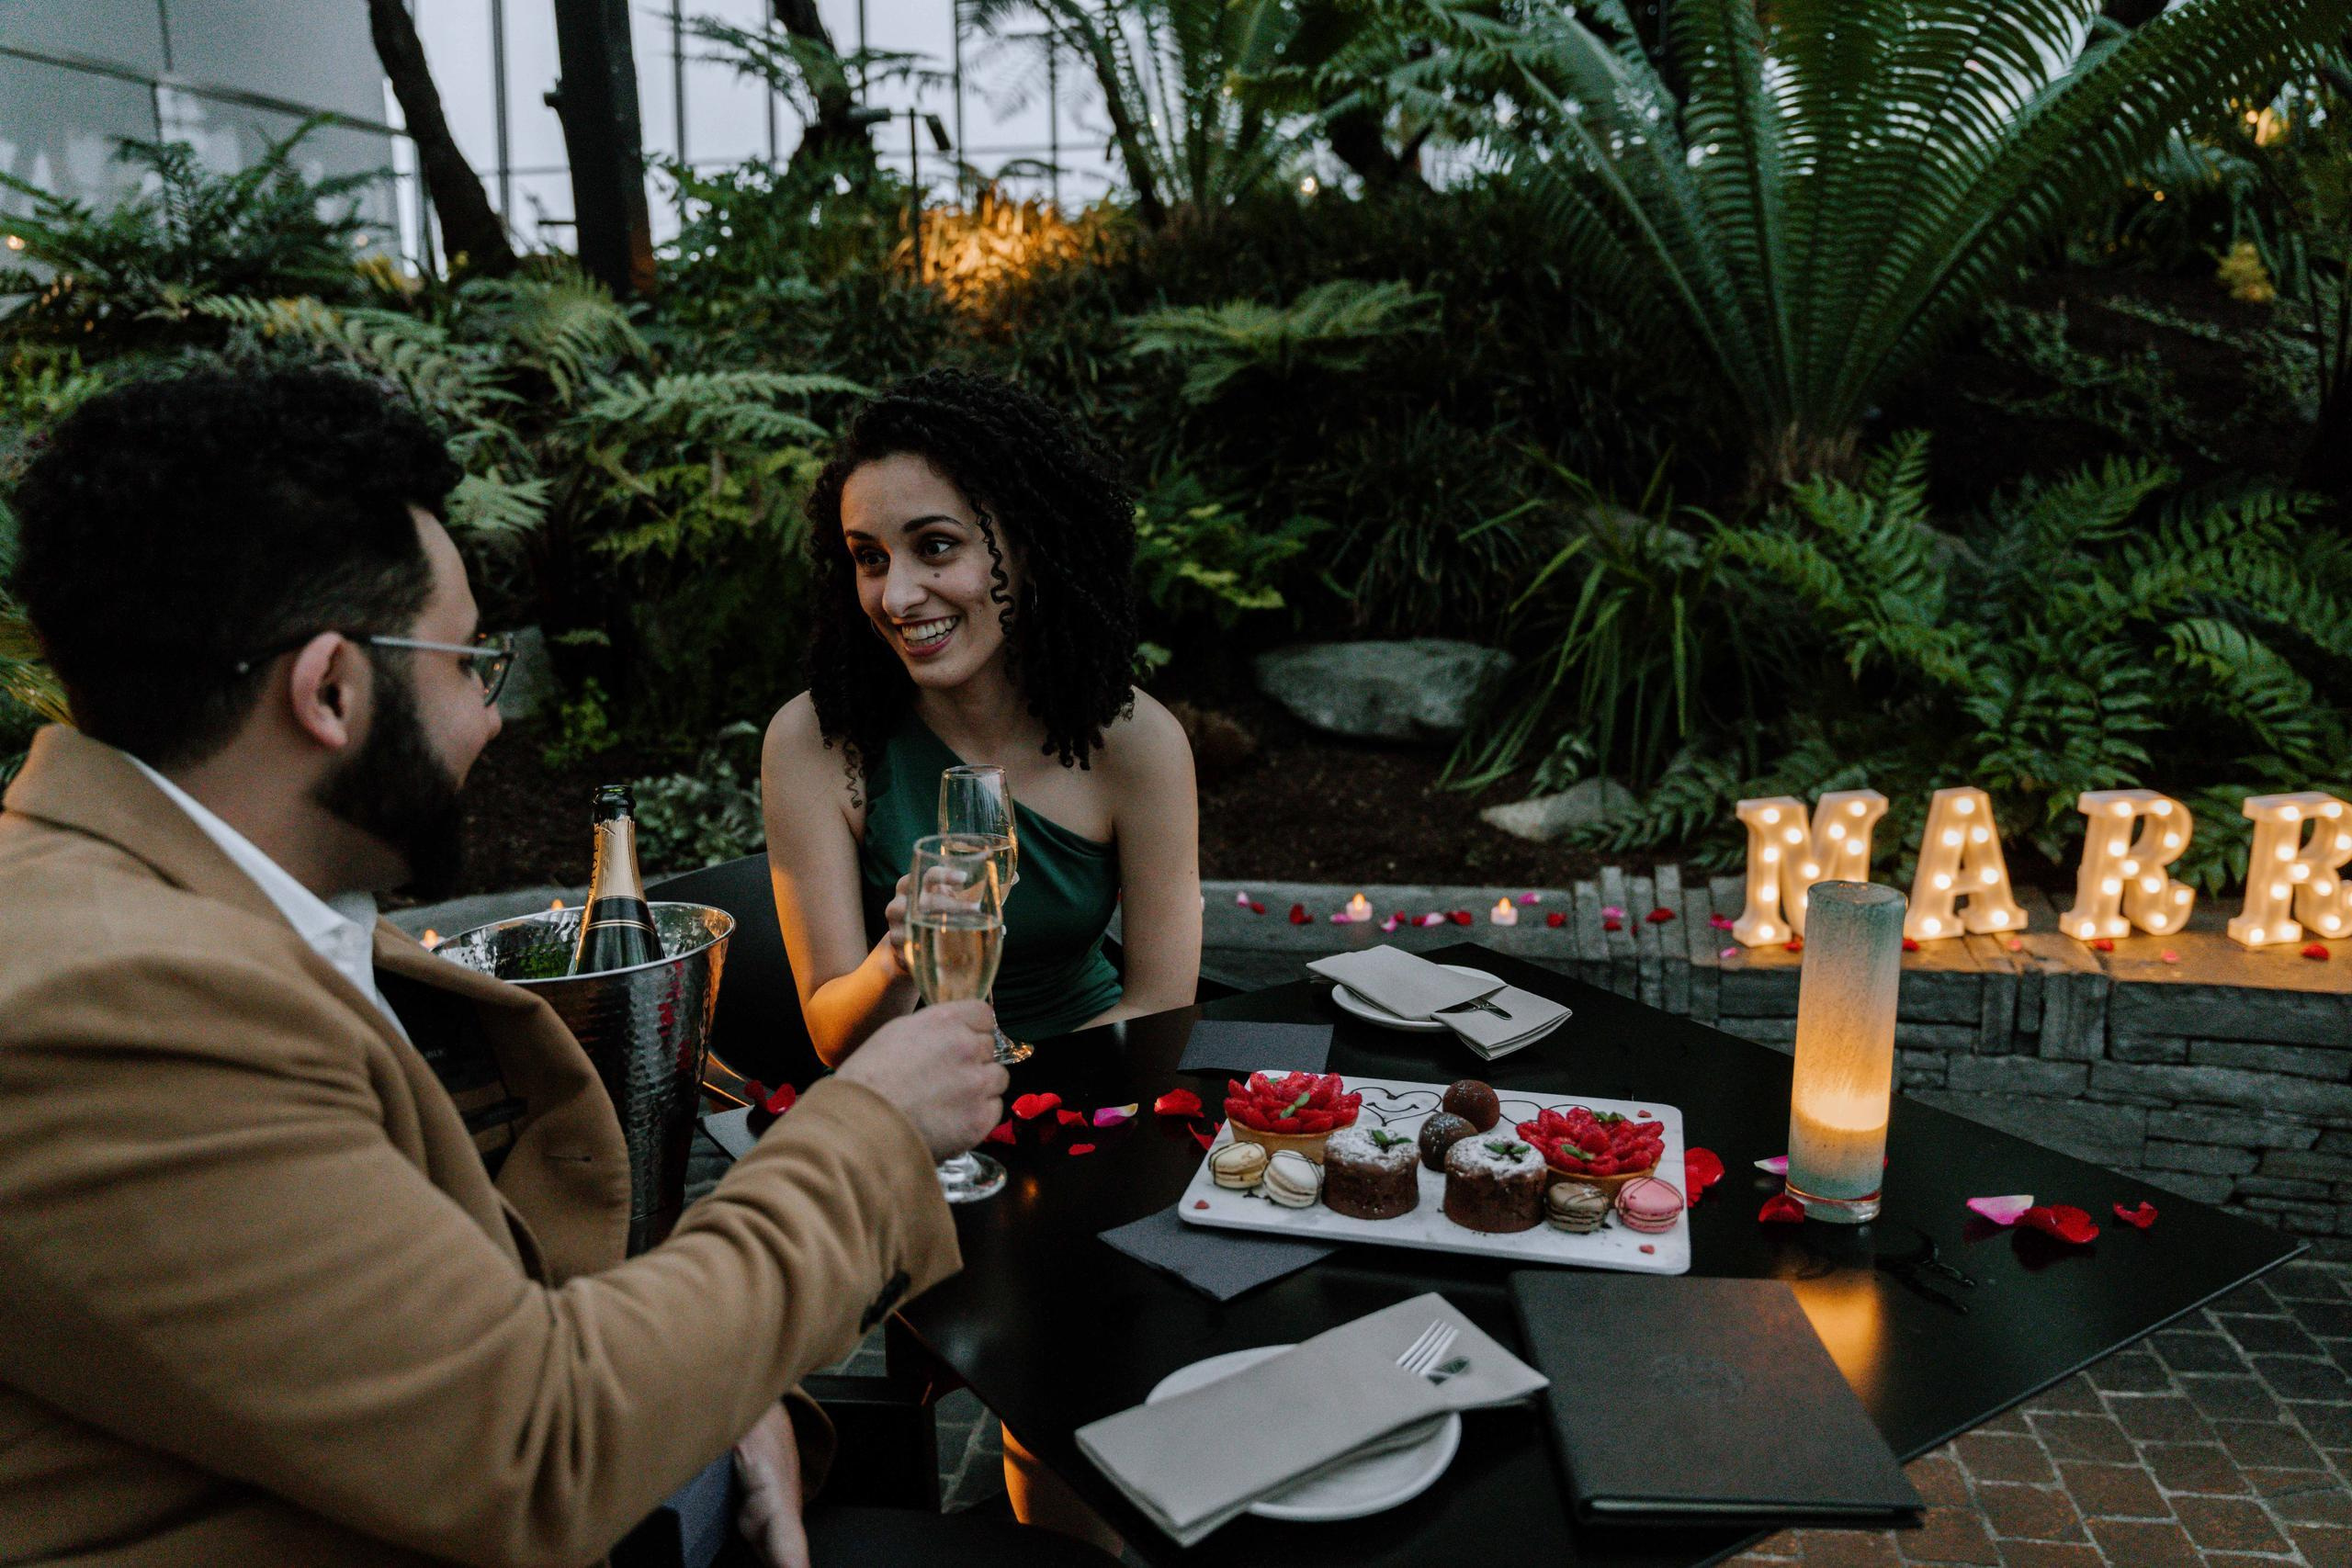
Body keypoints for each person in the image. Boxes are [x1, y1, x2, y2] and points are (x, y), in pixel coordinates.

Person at [0, 367, 1015, 1568]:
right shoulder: (109, 1002)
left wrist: (734, 1398)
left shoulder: (175, 909)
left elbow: (459, 1315)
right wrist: (872, 1128)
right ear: (330, 688)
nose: (494, 718)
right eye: (468, 664)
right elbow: (536, 1444)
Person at [761, 368, 1203, 1069]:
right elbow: (832, 1038)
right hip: (911, 1102)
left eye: (935, 545)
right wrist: (897, 961)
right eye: (870, 558)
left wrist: (1025, 1106)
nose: (898, 596)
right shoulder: (814, 742)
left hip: (1096, 1086)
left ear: (1026, 547)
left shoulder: (1135, 742)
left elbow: (1160, 1007)